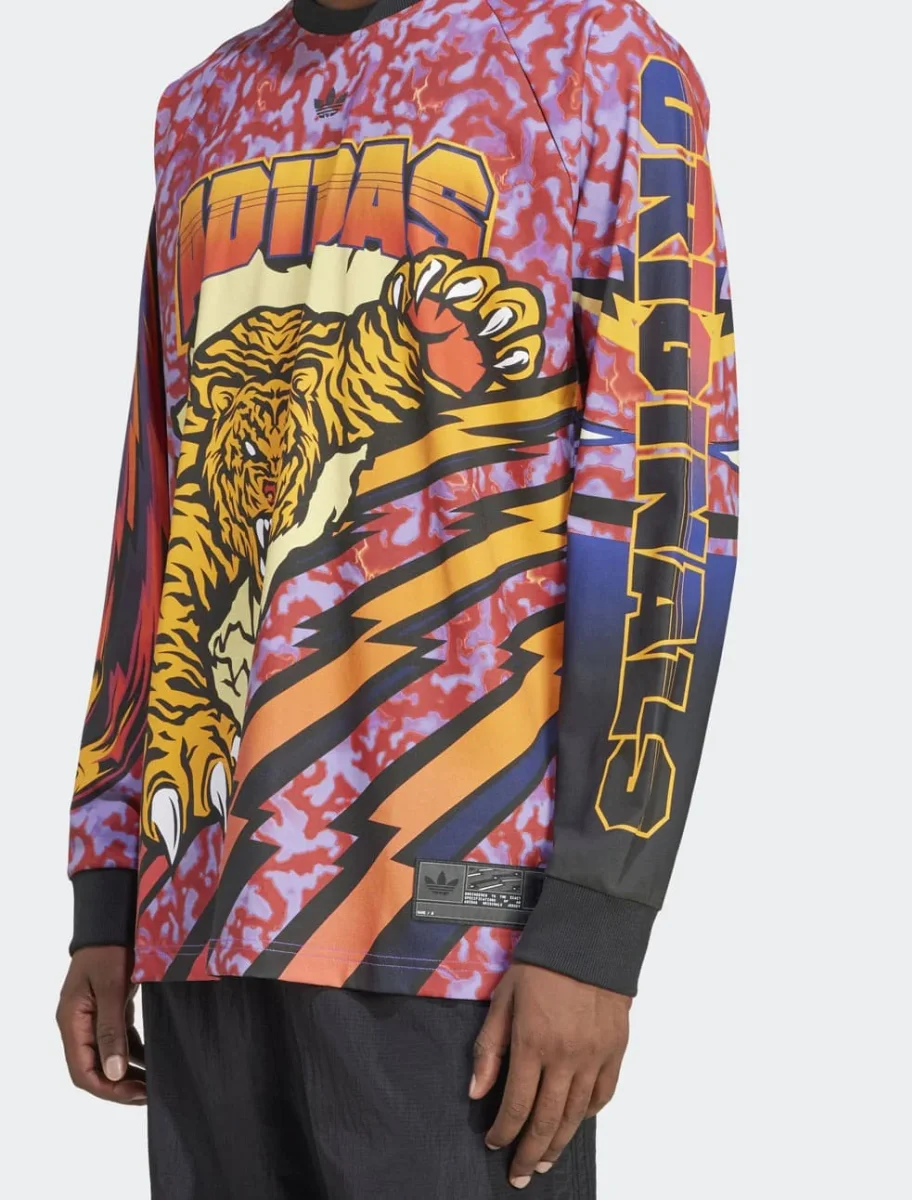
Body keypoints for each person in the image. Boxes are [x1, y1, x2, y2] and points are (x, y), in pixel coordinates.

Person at [56, 0, 739, 1195]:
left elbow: (665, 498)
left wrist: (596, 919)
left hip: (460, 923)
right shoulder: (199, 107)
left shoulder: (598, 59)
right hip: (199, 902)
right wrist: (107, 885)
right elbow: (153, 506)